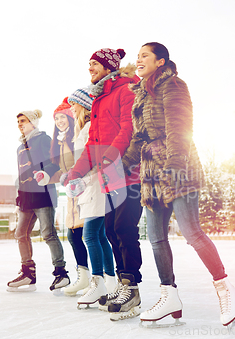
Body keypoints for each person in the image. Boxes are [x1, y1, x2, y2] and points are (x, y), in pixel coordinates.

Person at [122, 42, 235, 328]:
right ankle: (169, 296)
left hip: (178, 167)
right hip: (151, 173)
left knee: (192, 232)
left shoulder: (173, 86)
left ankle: (226, 289)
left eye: (144, 56)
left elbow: (180, 128)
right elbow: (138, 139)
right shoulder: (140, 95)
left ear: (161, 61)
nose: (138, 60)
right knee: (155, 238)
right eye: (137, 56)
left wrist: (174, 167)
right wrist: (119, 166)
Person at [63, 48, 143, 321]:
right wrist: (76, 171)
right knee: (110, 230)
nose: (90, 69)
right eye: (88, 65)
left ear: (109, 66)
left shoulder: (126, 89)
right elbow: (92, 144)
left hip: (127, 171)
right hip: (108, 175)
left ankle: (131, 286)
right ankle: (123, 285)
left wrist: (110, 157)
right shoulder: (99, 99)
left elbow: (127, 129)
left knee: (123, 228)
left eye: (94, 64)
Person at [7, 109, 70, 292]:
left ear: (33, 122)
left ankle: (61, 273)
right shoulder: (20, 148)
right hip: (26, 198)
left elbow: (55, 161)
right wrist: (19, 196)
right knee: (20, 234)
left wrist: (45, 173)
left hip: (43, 194)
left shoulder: (43, 139)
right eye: (18, 122)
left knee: (48, 233)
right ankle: (28, 273)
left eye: (23, 121)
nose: (20, 124)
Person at [65, 88, 117, 309]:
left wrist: (77, 179)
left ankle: (98, 282)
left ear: (84, 106)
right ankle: (110, 282)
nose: (72, 108)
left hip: (95, 187)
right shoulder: (81, 130)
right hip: (88, 187)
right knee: (100, 236)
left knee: (90, 236)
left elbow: (92, 159)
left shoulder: (87, 129)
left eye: (74, 104)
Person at [34, 98, 90, 296]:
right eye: (56, 118)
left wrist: (77, 178)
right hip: (72, 194)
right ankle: (84, 276)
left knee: (90, 236)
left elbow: (85, 162)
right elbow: (62, 170)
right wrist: (47, 176)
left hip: (86, 191)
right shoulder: (61, 142)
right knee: (74, 236)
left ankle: (99, 277)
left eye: (63, 116)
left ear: (71, 117)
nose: (59, 121)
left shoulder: (77, 137)